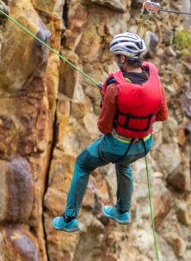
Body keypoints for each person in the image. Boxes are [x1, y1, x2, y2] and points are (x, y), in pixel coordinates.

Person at [52, 32, 168, 232]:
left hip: (116, 145)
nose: (116, 61)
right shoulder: (154, 78)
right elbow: (162, 115)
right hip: (143, 145)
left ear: (123, 58)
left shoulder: (115, 87)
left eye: (117, 57)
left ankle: (69, 218)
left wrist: (107, 98)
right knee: (124, 165)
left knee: (82, 164)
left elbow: (103, 127)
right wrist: (137, 123)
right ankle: (122, 211)